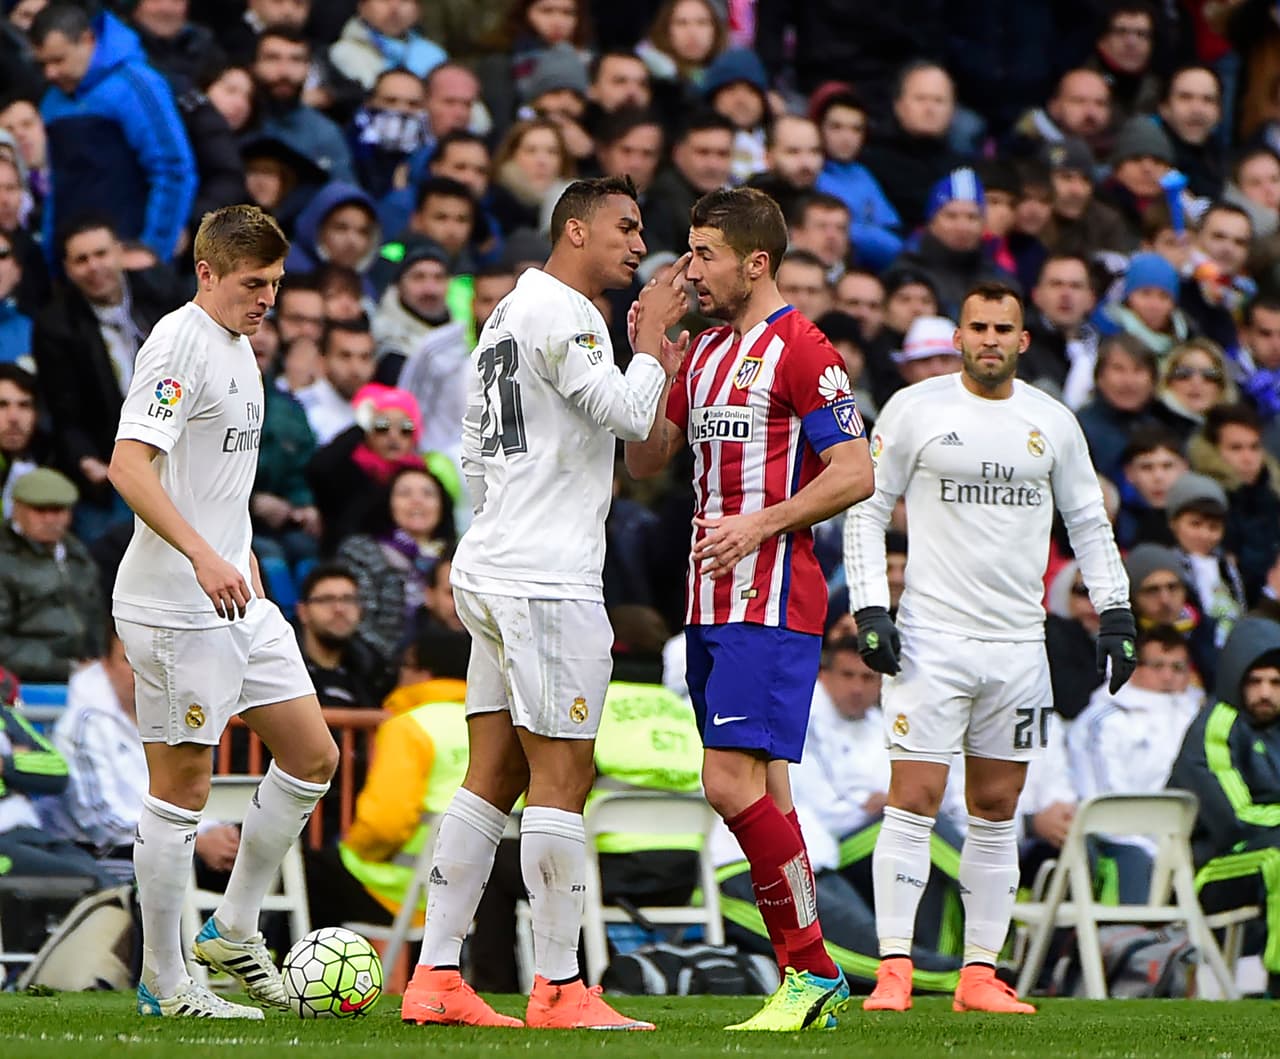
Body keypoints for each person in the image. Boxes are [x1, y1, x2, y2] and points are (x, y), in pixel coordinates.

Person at [400, 175, 687, 1031]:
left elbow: (475, 450)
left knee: (491, 776)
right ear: (574, 229)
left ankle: (437, 974)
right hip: (547, 575)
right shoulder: (565, 311)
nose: (640, 246)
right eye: (626, 229)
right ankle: (560, 986)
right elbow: (629, 416)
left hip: (494, 559)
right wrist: (658, 336)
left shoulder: (507, 313)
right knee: (565, 777)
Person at [843, 281, 1135, 1014]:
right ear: (959, 336)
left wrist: (1117, 612)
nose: (990, 339)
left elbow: (1090, 524)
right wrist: (872, 604)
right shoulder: (917, 409)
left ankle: (980, 973)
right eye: (978, 326)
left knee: (998, 806)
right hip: (931, 639)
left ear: (1024, 340)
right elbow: (867, 507)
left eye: (1004, 327)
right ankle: (894, 970)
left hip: (1017, 644)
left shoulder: (1054, 422)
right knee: (912, 799)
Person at [625, 186, 874, 1030]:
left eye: (704, 254)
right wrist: (653, 356)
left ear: (755, 261)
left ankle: (810, 970)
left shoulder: (803, 347)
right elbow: (647, 462)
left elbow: (855, 470)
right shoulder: (699, 354)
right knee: (771, 792)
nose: (690, 270)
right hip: (708, 601)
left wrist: (758, 524)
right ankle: (807, 980)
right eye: (689, 252)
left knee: (725, 780)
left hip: (769, 599)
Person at [107, 204, 338, 1019]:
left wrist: (234, 561)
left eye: (275, 283)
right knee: (181, 791)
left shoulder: (240, 346)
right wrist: (204, 554)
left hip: (237, 598)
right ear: (206, 271)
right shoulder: (177, 342)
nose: (266, 299)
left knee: (313, 756)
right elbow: (128, 466)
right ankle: (164, 981)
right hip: (175, 601)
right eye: (252, 283)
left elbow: (216, 482)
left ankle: (233, 930)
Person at [1167, 616, 1280, 997]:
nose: (1266, 693)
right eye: (1255, 681)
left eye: (1276, 683)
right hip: (1213, 867)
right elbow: (1235, 819)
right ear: (1236, 678)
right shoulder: (1217, 724)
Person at [0, 467, 104, 682]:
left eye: (57, 510)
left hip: (86, 675)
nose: (49, 519)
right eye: (40, 510)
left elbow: (96, 618)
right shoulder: (4, 559)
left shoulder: (76, 553)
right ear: (17, 508)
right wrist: (67, 667)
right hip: (22, 684)